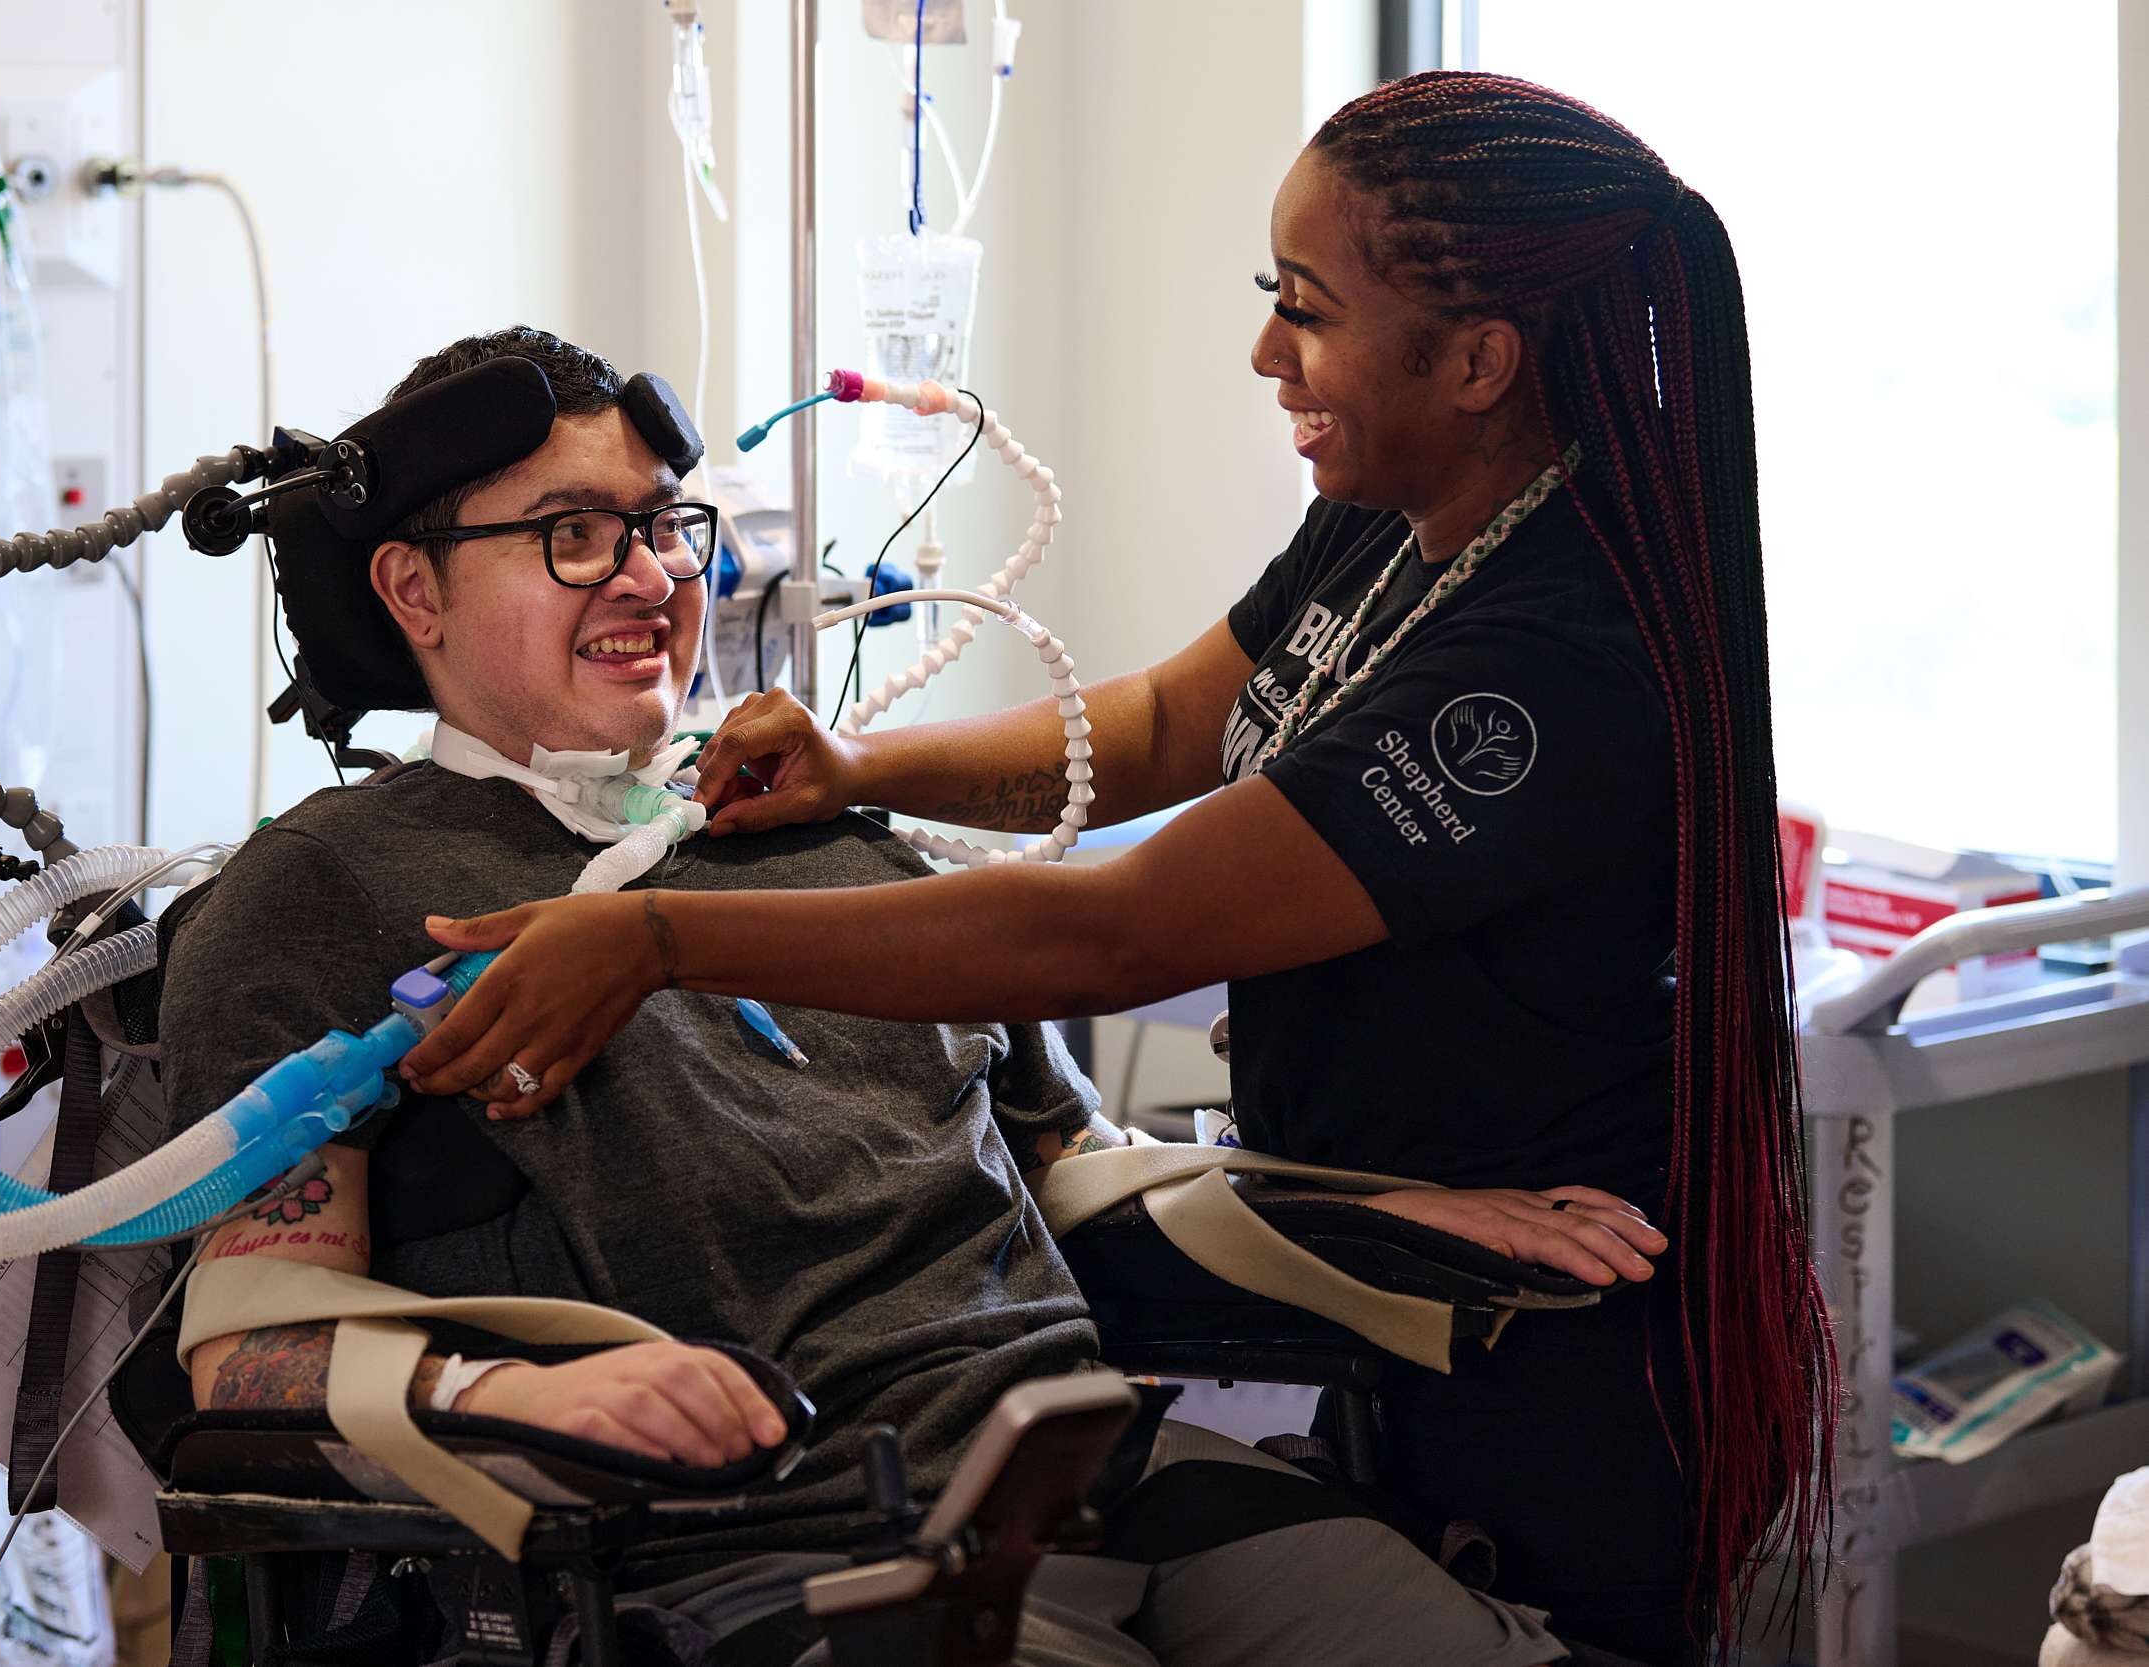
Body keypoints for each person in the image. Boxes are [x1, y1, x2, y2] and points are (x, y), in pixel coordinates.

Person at [394, 73, 1837, 1666]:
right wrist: (868, 766)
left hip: (1541, 1327)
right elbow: (1164, 721)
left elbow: (1111, 938)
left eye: (1309, 311)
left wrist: (661, 942)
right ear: (408, 588)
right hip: (1248, 1303)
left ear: (1480, 362)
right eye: (567, 538)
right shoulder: (1400, 513)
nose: (1267, 353)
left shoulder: (1552, 659)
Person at [160, 325, 1602, 1665]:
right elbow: (247, 1334)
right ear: (412, 588)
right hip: (787, 1539)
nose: (654, 580)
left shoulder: (816, 828)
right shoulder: (327, 888)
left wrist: (1354, 1210)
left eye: (665, 528)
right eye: (572, 536)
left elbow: (1067, 1173)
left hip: (1091, 1457)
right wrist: (516, 1396)